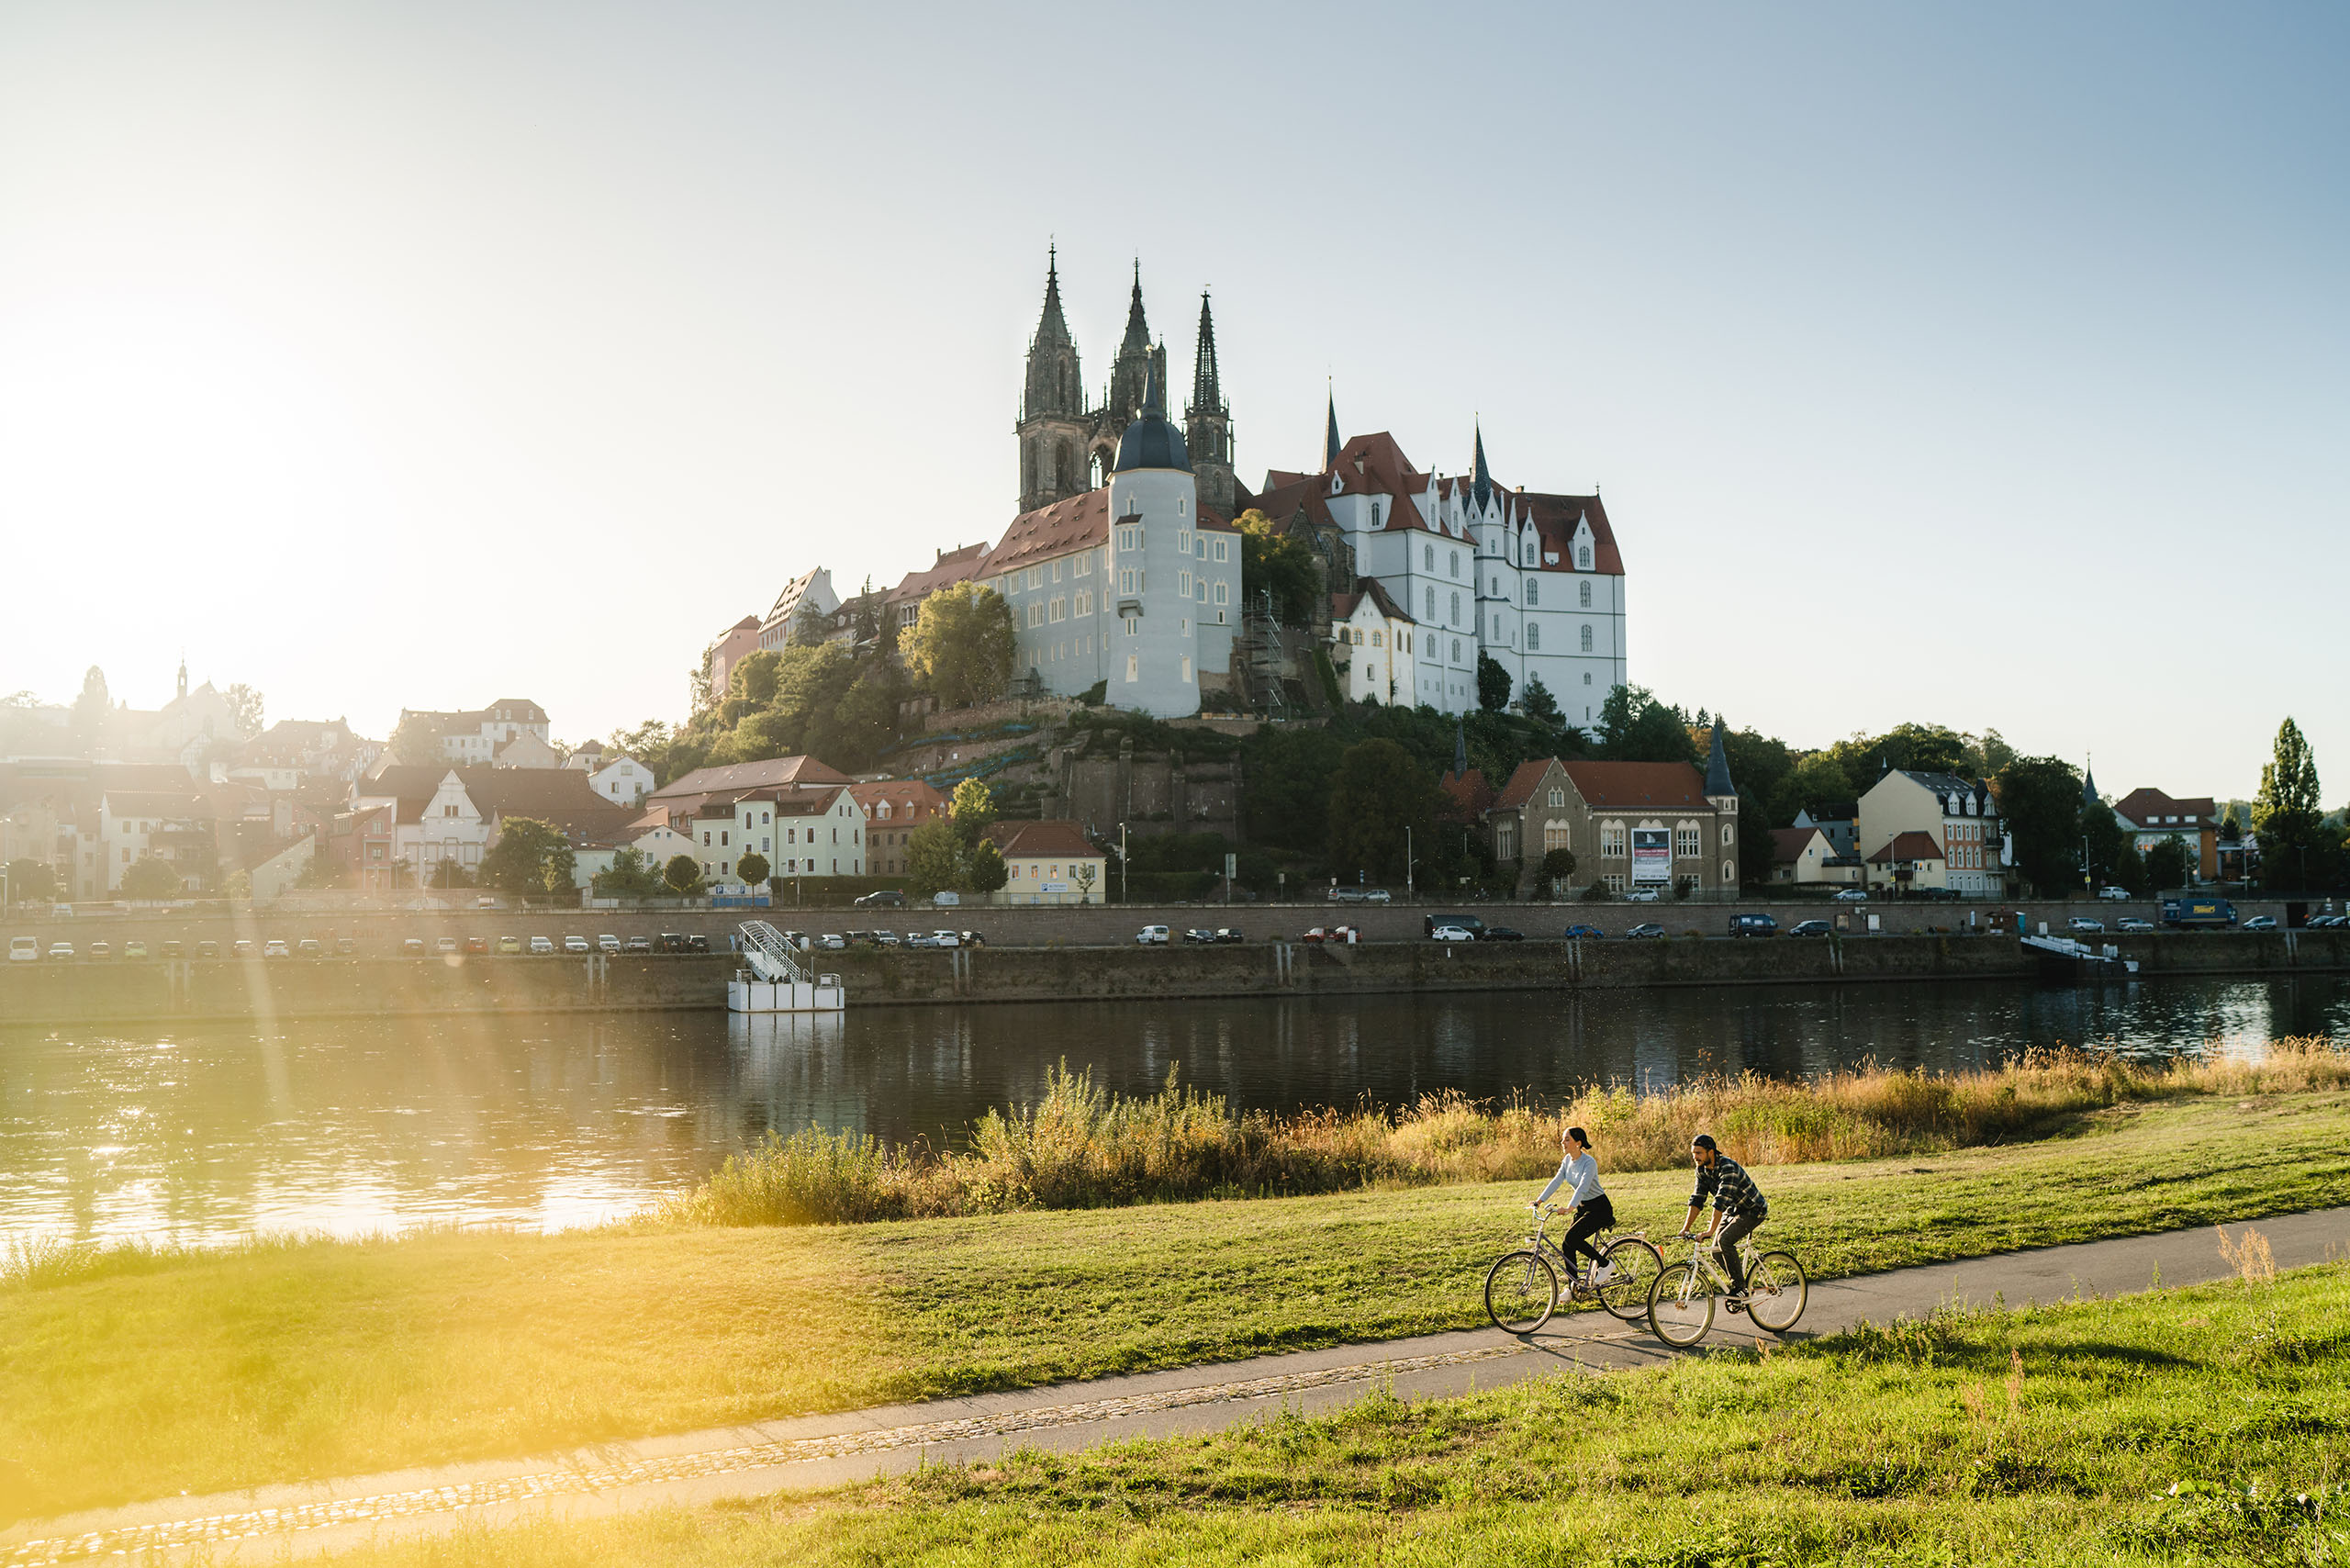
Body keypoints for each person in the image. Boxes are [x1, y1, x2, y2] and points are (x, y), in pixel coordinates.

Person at [1683, 1133, 1768, 1311]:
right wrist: (1685, 1228)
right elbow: (1697, 1199)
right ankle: (1742, 1286)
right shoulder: (1702, 1170)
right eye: (1693, 1154)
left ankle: (1741, 1288)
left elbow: (1720, 1201)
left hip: (1753, 1210)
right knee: (1716, 1251)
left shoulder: (1727, 1167)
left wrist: (1709, 1231)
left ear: (1711, 1152)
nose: (1695, 1158)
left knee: (1724, 1241)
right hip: (1733, 1210)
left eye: (1699, 1153)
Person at [1533, 1124, 1614, 1286]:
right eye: (1563, 1139)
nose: (1563, 1142)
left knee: (1572, 1238)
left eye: (1566, 1139)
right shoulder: (1567, 1161)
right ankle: (1573, 1285)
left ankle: (1606, 1265)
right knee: (1567, 1243)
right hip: (1584, 1207)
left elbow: (1583, 1187)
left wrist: (1570, 1207)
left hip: (1599, 1208)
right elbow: (1556, 1181)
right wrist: (1539, 1200)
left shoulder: (1588, 1163)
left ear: (1578, 1143)